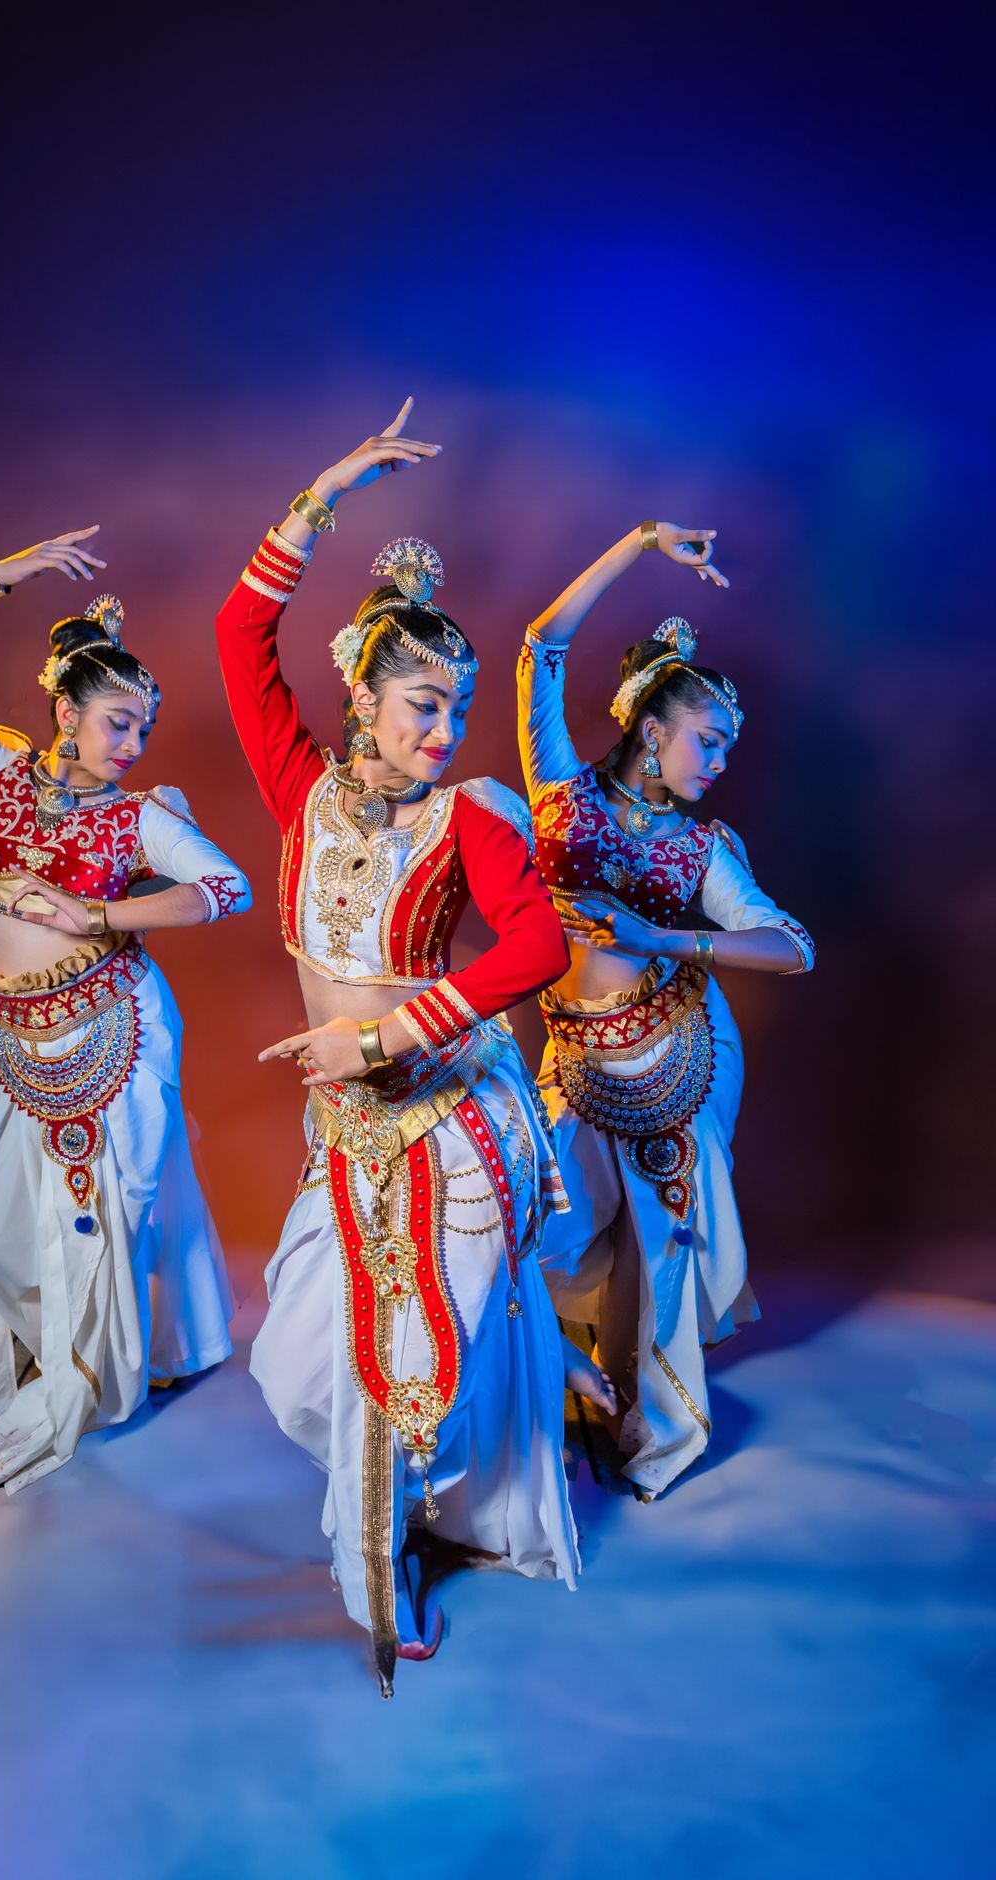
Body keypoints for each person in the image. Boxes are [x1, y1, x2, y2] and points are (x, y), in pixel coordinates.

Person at [216, 403, 610, 1696]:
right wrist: (323, 492)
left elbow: (538, 949)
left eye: (457, 708)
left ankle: (382, 1580)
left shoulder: (472, 817)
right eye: (423, 706)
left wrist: (386, 1033)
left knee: (406, 1359)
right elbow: (239, 634)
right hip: (349, 1131)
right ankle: (426, 1504)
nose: (444, 731)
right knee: (308, 1366)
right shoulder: (301, 793)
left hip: (446, 1121)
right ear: (364, 703)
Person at [0, 527, 250, 1494]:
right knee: (1, 1229)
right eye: (117, 723)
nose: (132, 745)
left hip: (114, 1030)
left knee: (106, 1217)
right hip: (12, 1035)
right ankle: (61, 1354)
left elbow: (226, 889)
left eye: (143, 730)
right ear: (65, 711)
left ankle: (95, 1384)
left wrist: (98, 910)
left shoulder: (142, 815)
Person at [517, 519, 814, 1497]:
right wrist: (638, 544)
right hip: (571, 1058)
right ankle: (549, 1405)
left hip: (673, 1054)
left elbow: (788, 946)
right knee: (537, 1233)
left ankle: (652, 1439)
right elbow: (539, 648)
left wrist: (662, 940)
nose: (719, 761)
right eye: (707, 740)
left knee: (665, 1246)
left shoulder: (701, 849)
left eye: (726, 746)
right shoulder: (556, 789)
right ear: (651, 728)